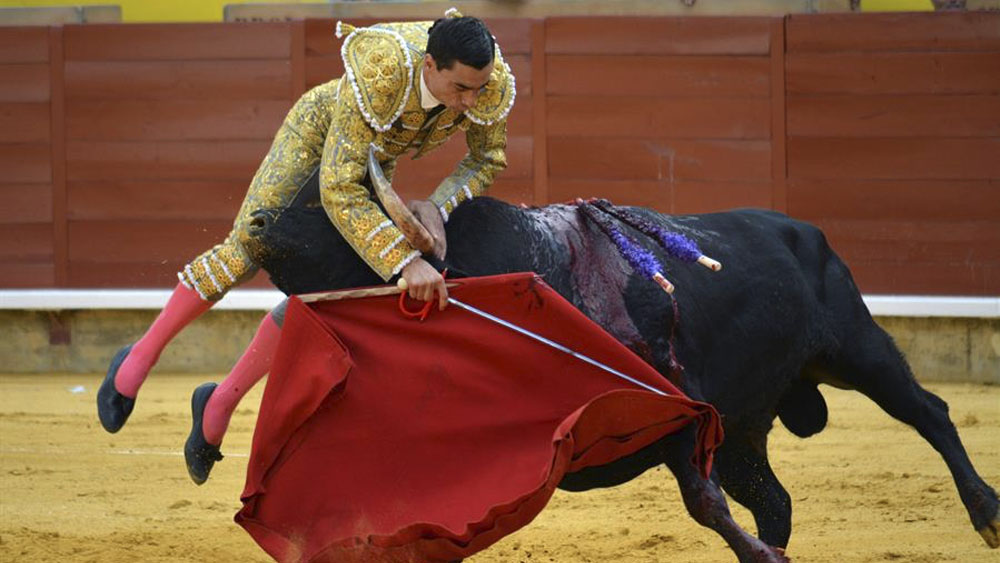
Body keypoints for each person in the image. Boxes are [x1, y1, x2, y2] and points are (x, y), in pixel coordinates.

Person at [96, 10, 515, 484]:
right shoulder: (384, 66)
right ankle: (138, 358)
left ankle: (218, 404)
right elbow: (338, 188)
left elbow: (486, 157)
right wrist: (403, 262)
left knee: (326, 290)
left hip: (371, 161)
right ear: (430, 66)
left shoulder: (489, 80)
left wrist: (438, 205)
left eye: (479, 89)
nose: (472, 101)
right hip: (315, 138)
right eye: (461, 89)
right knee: (250, 246)